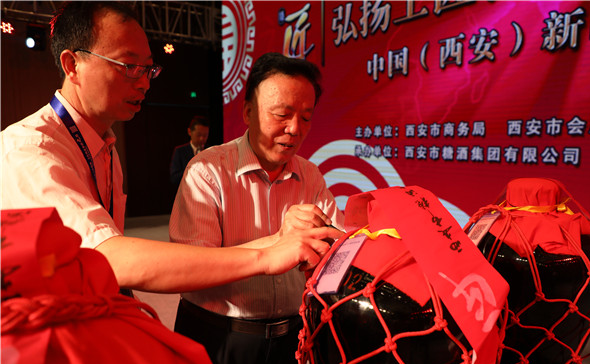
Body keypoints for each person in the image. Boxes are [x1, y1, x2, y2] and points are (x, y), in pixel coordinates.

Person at [1, 2, 342, 295]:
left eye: (148, 68)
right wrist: (268, 254)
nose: (144, 82)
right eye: (129, 66)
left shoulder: (103, 144)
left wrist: (281, 241)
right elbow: (107, 256)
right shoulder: (31, 149)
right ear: (72, 65)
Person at [169, 52, 345, 364]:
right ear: (248, 112)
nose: (294, 129)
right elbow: (190, 267)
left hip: (289, 340)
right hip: (218, 337)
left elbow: (334, 250)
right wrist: (277, 243)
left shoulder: (310, 176)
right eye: (282, 115)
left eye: (306, 117)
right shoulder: (208, 171)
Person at [170, 115, 210, 186]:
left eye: (205, 135)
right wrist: (193, 169)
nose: (202, 138)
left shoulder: (210, 151)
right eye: (198, 135)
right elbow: (174, 178)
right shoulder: (180, 151)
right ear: (189, 132)